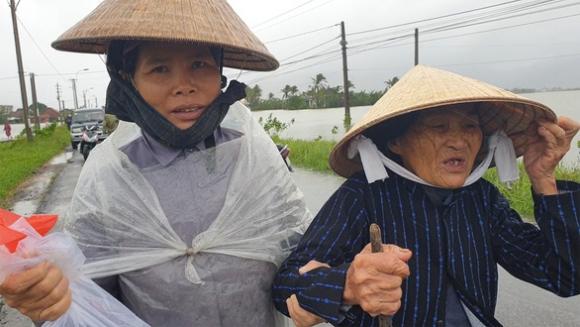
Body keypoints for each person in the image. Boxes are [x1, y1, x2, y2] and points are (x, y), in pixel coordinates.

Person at [0, 0, 312, 326]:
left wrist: (325, 283)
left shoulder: (252, 154)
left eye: (200, 65)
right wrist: (49, 297)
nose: (184, 86)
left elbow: (299, 252)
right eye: (159, 69)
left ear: (220, 74)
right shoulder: (110, 176)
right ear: (128, 79)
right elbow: (85, 295)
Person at [272, 65, 580, 326]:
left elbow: (564, 278)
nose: (458, 141)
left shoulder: (482, 199)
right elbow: (287, 285)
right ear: (396, 143)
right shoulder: (363, 195)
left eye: (469, 126)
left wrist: (544, 181)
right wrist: (346, 285)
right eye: (438, 126)